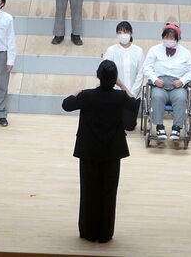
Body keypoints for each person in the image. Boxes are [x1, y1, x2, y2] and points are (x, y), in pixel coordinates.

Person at [62, 60, 140, 244]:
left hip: (89, 150)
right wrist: (122, 85)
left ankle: (88, 232)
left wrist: (77, 92)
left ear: (98, 75)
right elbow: (134, 104)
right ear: (115, 78)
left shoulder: (87, 95)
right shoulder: (120, 96)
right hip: (112, 151)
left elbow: (66, 105)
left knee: (88, 191)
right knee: (108, 192)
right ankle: (105, 233)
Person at [142, 23, 191, 141]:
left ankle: (177, 128)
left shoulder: (186, 52)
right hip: (160, 84)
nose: (169, 40)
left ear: (178, 38)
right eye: (166, 37)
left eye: (172, 37)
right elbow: (147, 67)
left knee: (181, 98)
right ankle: (159, 126)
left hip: (177, 85)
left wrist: (182, 81)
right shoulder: (154, 50)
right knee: (157, 96)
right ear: (163, 37)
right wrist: (155, 79)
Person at [102, 21, 145, 98]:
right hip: (114, 95)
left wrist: (132, 94)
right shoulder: (111, 50)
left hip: (135, 95)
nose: (122, 35)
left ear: (131, 33)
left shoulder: (139, 51)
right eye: (120, 33)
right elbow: (106, 72)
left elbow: (140, 74)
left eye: (125, 32)